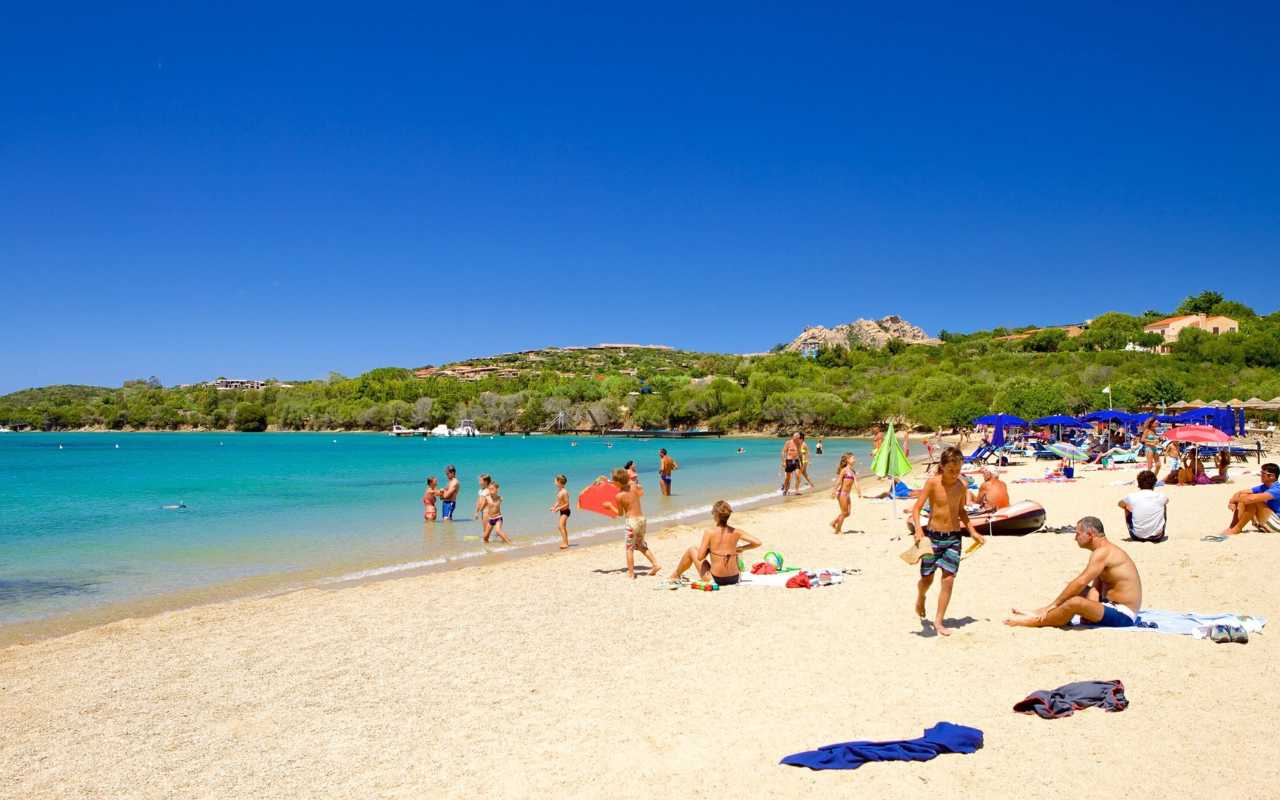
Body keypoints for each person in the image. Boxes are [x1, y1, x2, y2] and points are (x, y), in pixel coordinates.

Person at [1003, 516, 1143, 629]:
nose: (1075, 538)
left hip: (1124, 615)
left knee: (1075, 601)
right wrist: (1090, 612)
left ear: (1090, 534)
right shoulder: (1103, 551)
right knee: (1074, 592)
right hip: (1109, 605)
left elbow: (1081, 581)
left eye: (1077, 533)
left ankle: (1034, 621)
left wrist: (1055, 604)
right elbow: (1096, 586)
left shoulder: (1103, 553)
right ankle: (1038, 613)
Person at [909, 447, 986, 636]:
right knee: (927, 579)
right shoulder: (932, 484)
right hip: (933, 537)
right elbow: (916, 509)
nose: (955, 474)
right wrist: (918, 530)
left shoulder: (961, 486)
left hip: (953, 538)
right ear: (942, 467)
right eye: (951, 470)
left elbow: (961, 512)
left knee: (949, 579)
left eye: (958, 470)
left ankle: (938, 621)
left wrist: (972, 531)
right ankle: (921, 596)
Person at [667, 500, 761, 586]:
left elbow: (700, 557)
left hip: (716, 579)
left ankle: (675, 575)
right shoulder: (737, 531)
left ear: (716, 515)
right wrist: (741, 548)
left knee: (692, 550)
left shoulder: (709, 532)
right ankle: (675, 575)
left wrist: (709, 549)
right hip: (734, 578)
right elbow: (757, 542)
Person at [602, 467, 660, 578]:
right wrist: (608, 481)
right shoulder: (633, 486)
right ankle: (656, 564)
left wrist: (609, 507)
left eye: (613, 480)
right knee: (641, 545)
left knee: (629, 548)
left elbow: (619, 514)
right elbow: (627, 482)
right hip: (642, 520)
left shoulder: (618, 496)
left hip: (631, 523)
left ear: (617, 482)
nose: (612, 482)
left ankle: (631, 573)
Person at [1221, 462, 1280, 535]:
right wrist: (1232, 502)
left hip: (1277, 524)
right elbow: (1240, 493)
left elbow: (1251, 499)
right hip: (1266, 521)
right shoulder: (1263, 487)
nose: (1260, 475)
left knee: (1253, 500)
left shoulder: (1277, 489)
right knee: (1245, 496)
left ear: (1272, 476)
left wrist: (1234, 500)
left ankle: (1237, 529)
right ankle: (1232, 527)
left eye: (1263, 473)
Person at [1119, 470, 1168, 542]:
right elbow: (1167, 501)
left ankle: (1136, 529)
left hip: (1137, 536)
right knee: (1163, 505)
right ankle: (1158, 529)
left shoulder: (1132, 496)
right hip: (1157, 537)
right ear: (1154, 483)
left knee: (1126, 506)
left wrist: (1127, 507)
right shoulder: (1161, 496)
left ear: (1139, 484)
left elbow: (1120, 503)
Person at [830, 452, 863, 534]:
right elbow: (838, 481)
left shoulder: (852, 471)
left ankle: (833, 523)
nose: (854, 460)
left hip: (847, 495)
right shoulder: (844, 470)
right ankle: (838, 530)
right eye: (853, 458)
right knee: (844, 513)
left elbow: (856, 482)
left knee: (847, 513)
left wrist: (859, 491)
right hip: (842, 493)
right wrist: (834, 491)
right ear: (848, 460)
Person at [550, 474, 571, 549]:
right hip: (562, 511)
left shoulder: (564, 492)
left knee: (560, 526)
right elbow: (558, 501)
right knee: (562, 527)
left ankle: (565, 543)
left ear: (559, 482)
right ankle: (565, 542)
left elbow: (567, 504)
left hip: (566, 511)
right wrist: (554, 507)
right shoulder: (560, 491)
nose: (554, 482)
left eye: (555, 481)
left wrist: (558, 508)